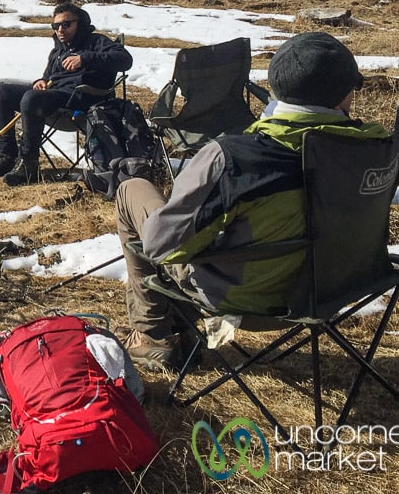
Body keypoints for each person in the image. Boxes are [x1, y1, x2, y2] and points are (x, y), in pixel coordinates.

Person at [114, 31, 385, 372]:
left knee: (132, 191)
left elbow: (161, 246)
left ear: (275, 87)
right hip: (341, 285)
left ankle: (153, 335)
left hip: (250, 299)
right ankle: (176, 330)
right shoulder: (375, 147)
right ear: (346, 93)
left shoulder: (233, 158)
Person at [0, 3, 133, 186]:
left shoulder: (97, 42)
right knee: (1, 92)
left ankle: (28, 164)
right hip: (53, 98)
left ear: (79, 23)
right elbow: (48, 77)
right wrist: (39, 82)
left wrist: (84, 58)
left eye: (66, 24)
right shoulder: (58, 50)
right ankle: (7, 157)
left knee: (31, 99)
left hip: (83, 100)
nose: (60, 29)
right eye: (55, 26)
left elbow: (125, 60)